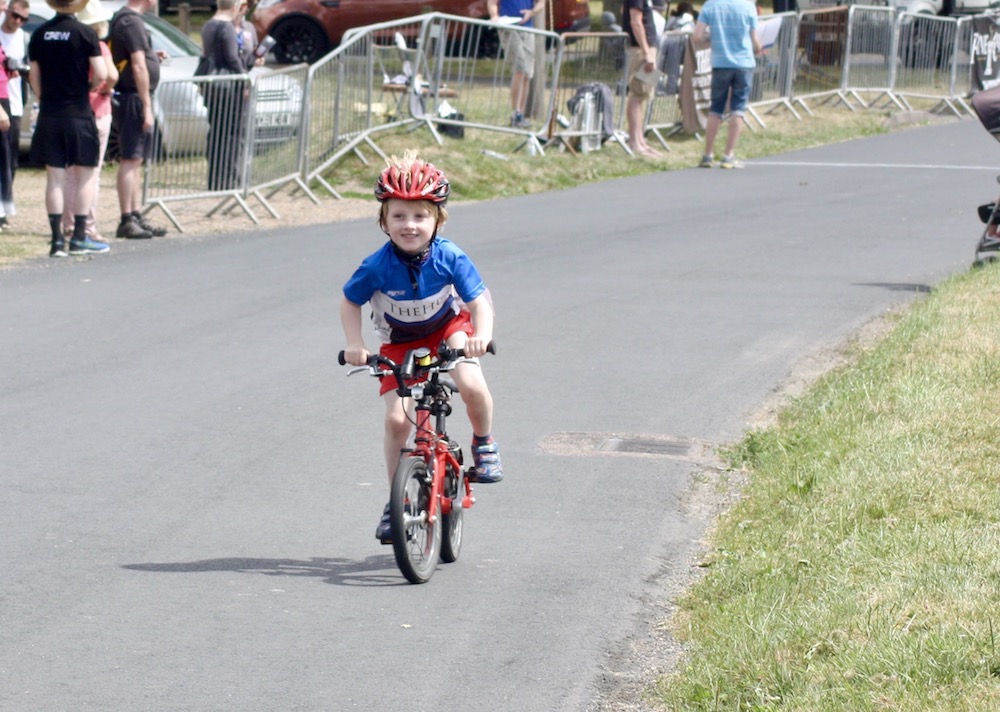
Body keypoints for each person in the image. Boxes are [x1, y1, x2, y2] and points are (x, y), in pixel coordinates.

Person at [340, 151, 502, 544]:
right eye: (398, 216)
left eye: (420, 216)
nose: (409, 225)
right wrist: (355, 344)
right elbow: (349, 301)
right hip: (399, 342)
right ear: (384, 220)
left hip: (449, 330)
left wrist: (480, 335)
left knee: (471, 384)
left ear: (437, 220)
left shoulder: (450, 256)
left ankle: (484, 443)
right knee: (397, 421)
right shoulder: (376, 266)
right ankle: (395, 499)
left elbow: (479, 301)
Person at [28, 0, 108, 257]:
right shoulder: (85, 33)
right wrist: (88, 88)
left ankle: (56, 241)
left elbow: (33, 74)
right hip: (78, 112)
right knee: (85, 175)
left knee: (55, 178)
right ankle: (79, 236)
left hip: (50, 113)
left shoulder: (40, 33)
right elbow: (101, 72)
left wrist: (42, 98)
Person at [61, 0, 118, 243]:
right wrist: (103, 89)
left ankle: (67, 222)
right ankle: (87, 224)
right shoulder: (98, 45)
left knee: (69, 173)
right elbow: (111, 74)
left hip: (70, 109)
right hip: (96, 108)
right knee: (91, 173)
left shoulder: (68, 43)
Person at [110, 0, 167, 238]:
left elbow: (140, 59)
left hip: (134, 95)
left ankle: (135, 213)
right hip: (132, 97)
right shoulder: (130, 21)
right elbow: (138, 66)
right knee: (130, 159)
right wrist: (146, 106)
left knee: (136, 159)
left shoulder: (128, 20)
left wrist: (153, 55)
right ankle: (126, 218)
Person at [693, 0, 762, 169]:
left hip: (720, 62)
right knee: (737, 108)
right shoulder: (748, 6)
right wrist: (759, 48)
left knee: (715, 108)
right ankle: (728, 155)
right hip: (743, 63)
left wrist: (712, 36)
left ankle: (708, 155)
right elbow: (754, 40)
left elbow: (696, 36)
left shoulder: (711, 5)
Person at [201, 0, 248, 191]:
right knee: (231, 134)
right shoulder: (226, 27)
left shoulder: (207, 25)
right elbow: (232, 58)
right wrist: (245, 80)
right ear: (235, 6)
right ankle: (227, 180)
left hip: (213, 86)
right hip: (228, 88)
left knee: (216, 133)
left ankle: (215, 179)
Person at [487, 0, 544, 129]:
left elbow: (541, 3)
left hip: (528, 28)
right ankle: (516, 112)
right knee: (520, 68)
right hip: (509, 28)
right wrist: (495, 16)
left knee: (527, 73)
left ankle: (521, 114)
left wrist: (532, 12)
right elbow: (492, 3)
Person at [623, 0, 661, 158]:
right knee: (637, 95)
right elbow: (636, 22)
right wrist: (646, 52)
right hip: (641, 50)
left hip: (648, 48)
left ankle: (641, 140)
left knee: (644, 95)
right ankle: (635, 142)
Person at [0, 0, 27, 220]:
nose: (18, 21)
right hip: (2, 102)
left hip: (15, 102)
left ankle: (5, 204)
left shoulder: (24, 38)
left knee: (11, 158)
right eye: (15, 15)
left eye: (23, 19)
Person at [233, 0, 264, 71]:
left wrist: (256, 61)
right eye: (241, 5)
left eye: (245, 5)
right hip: (225, 76)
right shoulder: (224, 27)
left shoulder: (249, 27)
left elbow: (253, 52)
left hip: (244, 75)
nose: (243, 7)